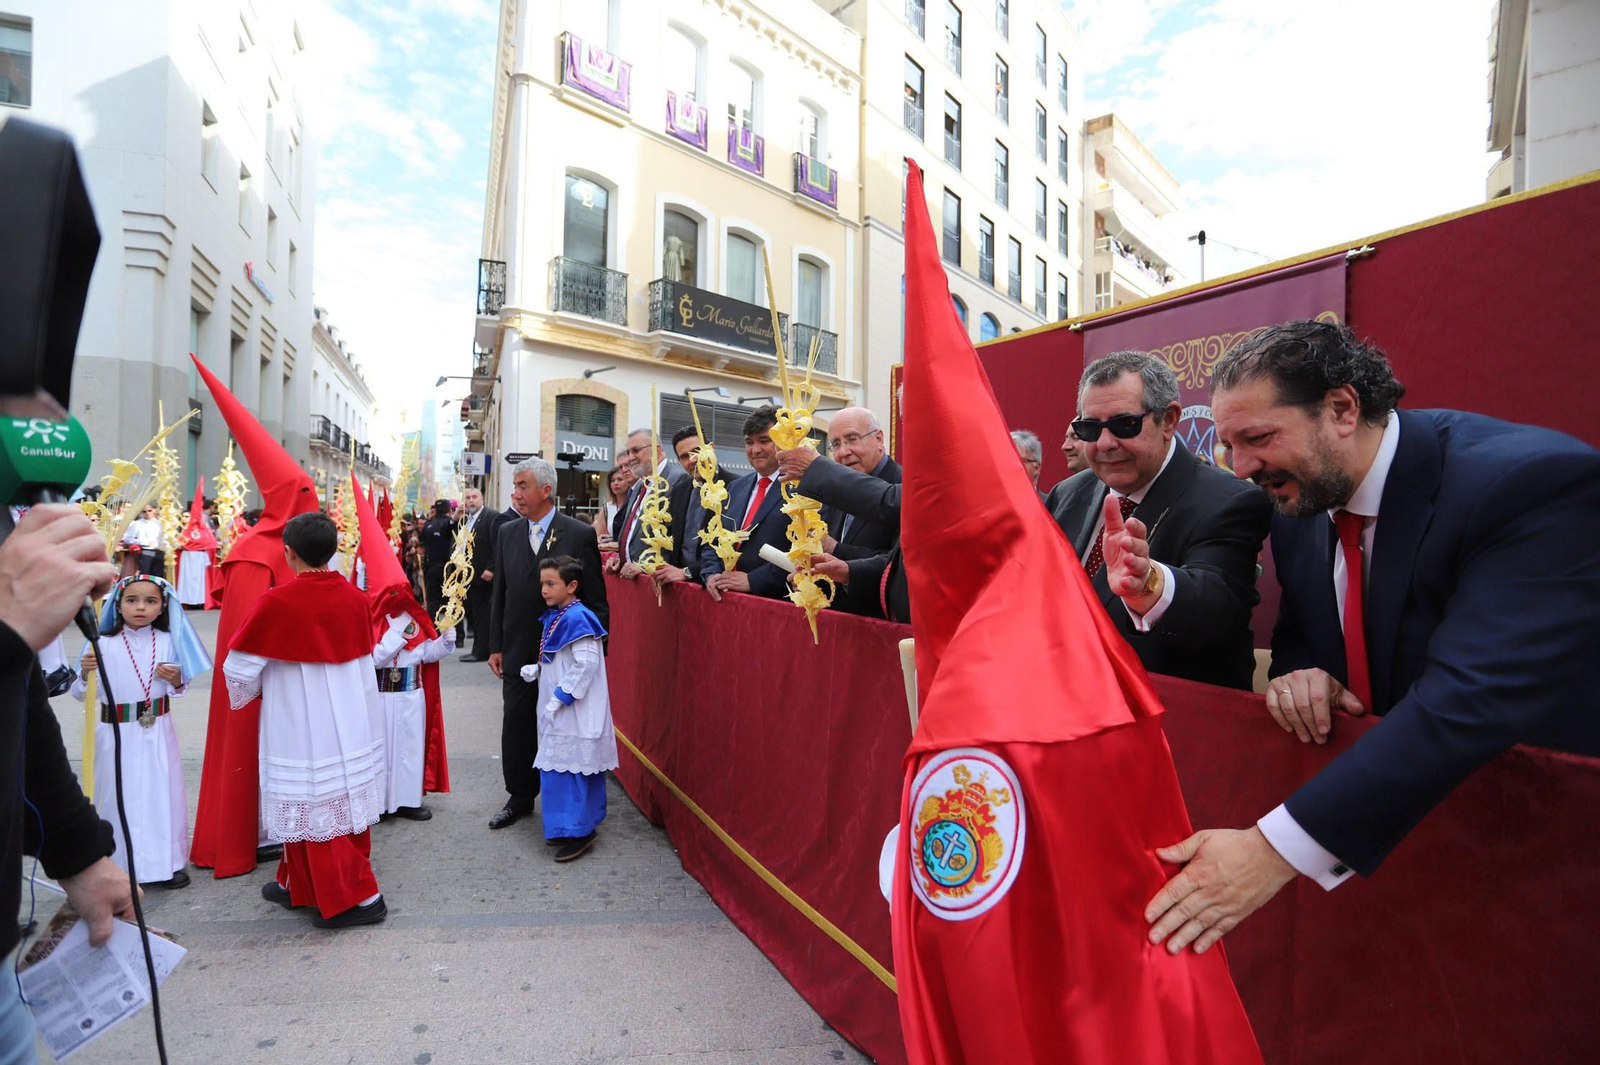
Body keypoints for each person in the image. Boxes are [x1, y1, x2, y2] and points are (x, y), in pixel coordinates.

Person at [1144, 319, 1600, 958]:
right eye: (1228, 447)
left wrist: (1267, 852)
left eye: (1258, 438)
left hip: (1538, 854)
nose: (1242, 468)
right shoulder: (1300, 507)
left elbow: (1466, 702)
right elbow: (1301, 636)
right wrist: (1297, 675)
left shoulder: (1529, 486)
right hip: (1392, 860)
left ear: (1341, 409)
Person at [1045, 351, 1271, 690]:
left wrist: (1148, 586)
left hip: (1172, 720)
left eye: (1124, 425)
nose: (1105, 443)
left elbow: (1216, 609)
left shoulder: (1229, 501)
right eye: (1090, 429)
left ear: (1168, 420)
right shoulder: (1068, 493)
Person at [189, 355, 322, 879]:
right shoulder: (252, 552)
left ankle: (278, 829)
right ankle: (245, 835)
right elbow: (243, 638)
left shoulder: (296, 548)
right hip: (261, 680)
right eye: (306, 495)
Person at [223, 511, 389, 929]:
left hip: (300, 719)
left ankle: (361, 898)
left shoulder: (278, 600)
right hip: (350, 719)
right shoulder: (355, 597)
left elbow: (239, 669)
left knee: (315, 802)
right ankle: (296, 880)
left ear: (288, 553)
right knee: (335, 800)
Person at [487, 458, 607, 830]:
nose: (516, 494)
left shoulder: (577, 532)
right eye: (515, 486)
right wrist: (496, 644)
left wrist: (596, 654)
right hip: (519, 645)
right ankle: (519, 795)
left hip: (564, 653)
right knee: (517, 721)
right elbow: (500, 593)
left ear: (545, 490)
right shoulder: (507, 532)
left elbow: (596, 598)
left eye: (523, 486)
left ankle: (569, 801)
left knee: (560, 722)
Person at [72, 575, 212, 889]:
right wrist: (84, 672)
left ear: (163, 606)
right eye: (132, 600)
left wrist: (177, 679)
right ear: (117, 605)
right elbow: (80, 693)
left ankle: (168, 863)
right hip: (114, 734)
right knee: (116, 795)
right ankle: (118, 865)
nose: (140, 608)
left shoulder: (167, 640)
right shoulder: (101, 642)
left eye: (150, 601)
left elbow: (179, 688)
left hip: (157, 731)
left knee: (162, 795)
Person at [356, 481, 452, 822]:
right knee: (380, 750)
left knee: (409, 750)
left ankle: (409, 800)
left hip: (411, 693)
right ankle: (380, 803)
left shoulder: (415, 618)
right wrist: (394, 636)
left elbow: (425, 654)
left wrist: (447, 639)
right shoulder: (374, 622)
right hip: (382, 694)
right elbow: (371, 660)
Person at [517, 556, 617, 862]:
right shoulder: (559, 615)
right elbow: (561, 656)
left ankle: (580, 829)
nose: (544, 590)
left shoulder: (579, 618)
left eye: (551, 584)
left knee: (572, 769)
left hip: (574, 712)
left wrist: (561, 695)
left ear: (572, 586)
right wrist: (538, 669)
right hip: (559, 710)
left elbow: (585, 664)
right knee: (556, 768)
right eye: (542, 584)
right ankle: (563, 826)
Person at [775, 406, 902, 562]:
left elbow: (896, 565)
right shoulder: (834, 490)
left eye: (852, 439)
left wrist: (835, 549)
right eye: (836, 444)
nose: (843, 452)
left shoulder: (901, 488)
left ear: (879, 439)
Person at [700, 407, 792, 602]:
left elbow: (804, 553)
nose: (755, 449)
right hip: (725, 600)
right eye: (749, 442)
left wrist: (753, 580)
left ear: (784, 441)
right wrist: (712, 574)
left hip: (773, 605)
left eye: (764, 441)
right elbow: (713, 540)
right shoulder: (735, 488)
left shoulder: (801, 490)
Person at [653, 425, 733, 586]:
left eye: (697, 451)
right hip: (677, 587)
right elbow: (670, 537)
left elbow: (729, 546)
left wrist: (687, 572)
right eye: (684, 456)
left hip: (715, 586)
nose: (692, 460)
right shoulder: (679, 490)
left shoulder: (736, 487)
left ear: (711, 448)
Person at [610, 428, 688, 578]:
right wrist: (622, 558)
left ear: (656, 450)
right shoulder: (640, 484)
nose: (630, 458)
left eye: (636, 451)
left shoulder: (677, 480)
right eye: (628, 453)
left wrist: (647, 567)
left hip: (657, 582)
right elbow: (634, 530)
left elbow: (675, 538)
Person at [458, 487, 505, 663]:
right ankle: (478, 647)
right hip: (468, 575)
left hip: (484, 576)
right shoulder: (466, 520)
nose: (471, 501)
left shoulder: (491, 516)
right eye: (468, 497)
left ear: (482, 499)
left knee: (483, 615)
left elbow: (498, 544)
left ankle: (481, 650)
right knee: (473, 614)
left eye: (474, 497)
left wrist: (491, 568)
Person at [176, 481, 219, 609]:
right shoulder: (182, 529)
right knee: (187, 581)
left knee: (199, 581)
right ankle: (188, 601)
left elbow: (210, 542)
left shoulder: (204, 529)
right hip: (187, 557)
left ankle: (200, 601)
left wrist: (193, 545)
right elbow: (179, 543)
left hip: (199, 558)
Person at [420, 499, 454, 617]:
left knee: (432, 603)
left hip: (432, 568)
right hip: (450, 569)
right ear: (449, 510)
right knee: (451, 603)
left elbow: (421, 544)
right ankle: (454, 633)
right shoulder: (452, 524)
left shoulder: (428, 526)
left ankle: (432, 631)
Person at [592, 464, 635, 548]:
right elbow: (600, 537)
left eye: (620, 479)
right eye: (612, 480)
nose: (616, 483)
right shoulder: (606, 508)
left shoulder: (635, 504)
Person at [121, 502, 165, 577]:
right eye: (144, 511)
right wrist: (144, 542)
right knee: (145, 574)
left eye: (149, 510)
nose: (147, 513)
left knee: (158, 575)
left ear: (154, 510)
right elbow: (127, 539)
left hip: (159, 551)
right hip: (146, 551)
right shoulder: (137, 524)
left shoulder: (160, 523)